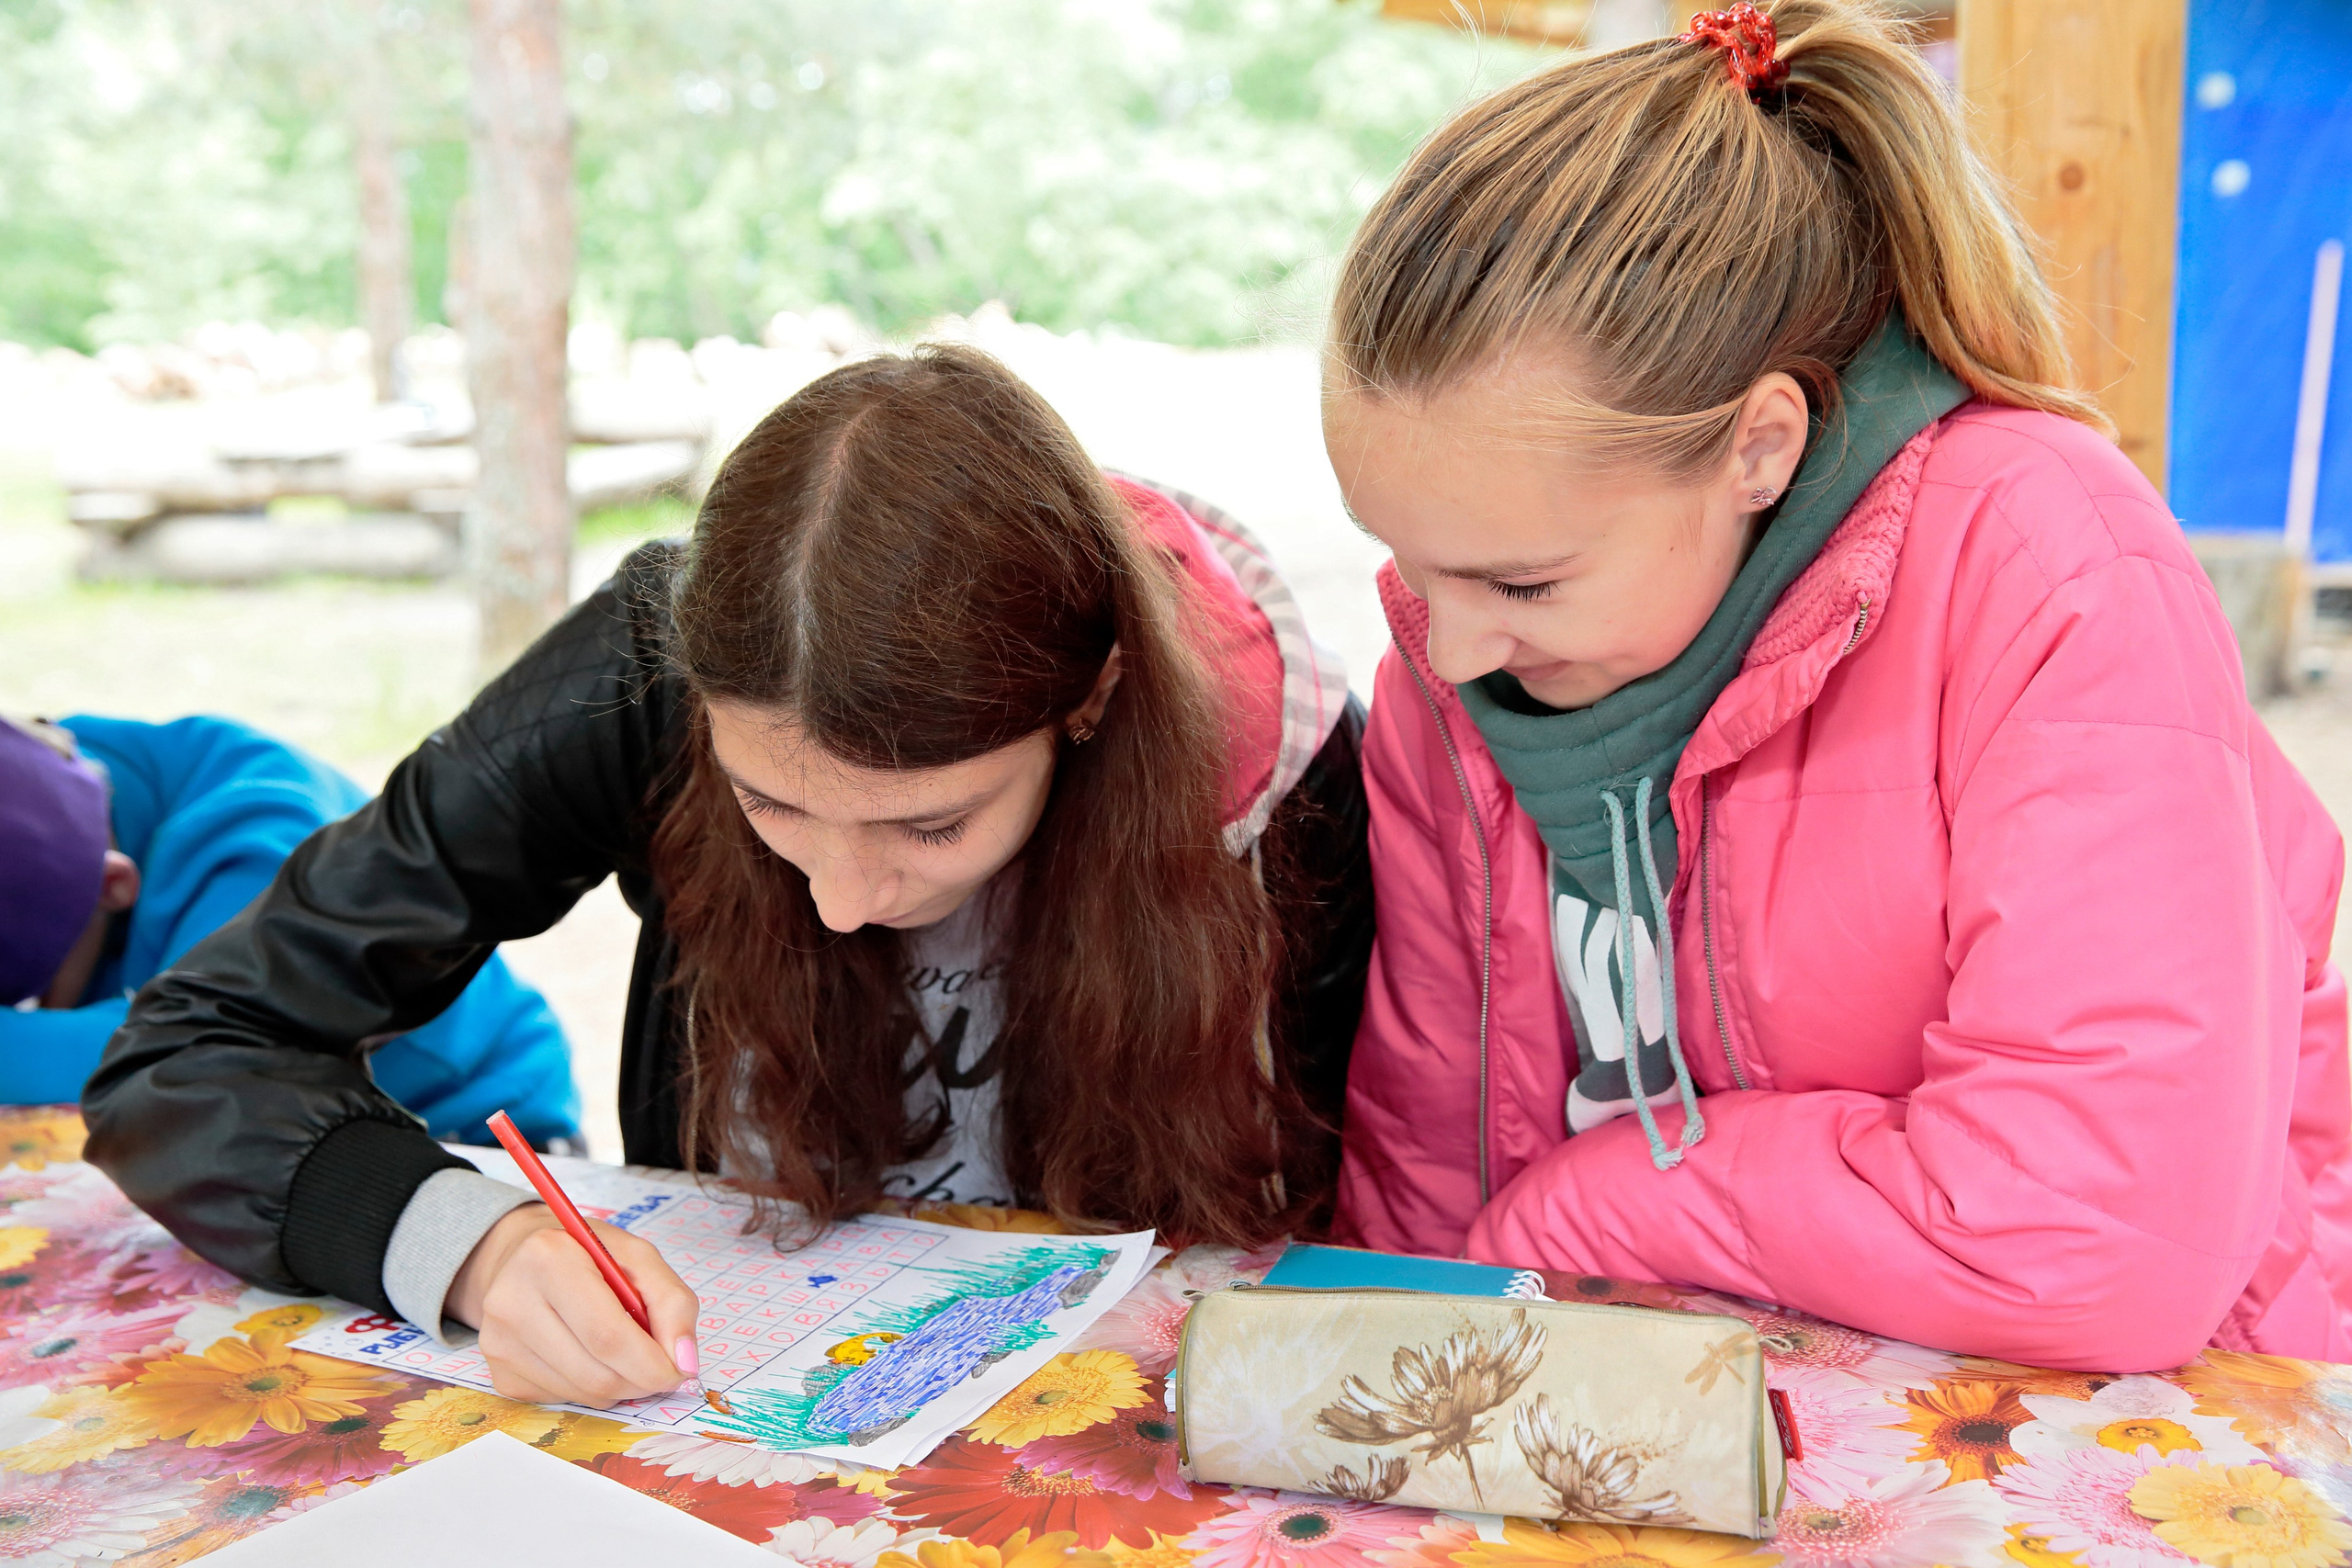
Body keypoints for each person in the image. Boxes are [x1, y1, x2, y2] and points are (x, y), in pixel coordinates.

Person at [1326, 0, 2351, 1370]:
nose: (1444, 652)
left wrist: (1597, 1202)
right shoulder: (1453, 643)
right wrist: (1385, 1368)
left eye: (1522, 584)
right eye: (1408, 561)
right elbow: (1428, 1123)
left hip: (2129, 1403)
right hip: (1670, 1378)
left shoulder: (2049, 559)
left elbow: (2087, 1239)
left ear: (1759, 447)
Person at [87, 344, 1371, 1409]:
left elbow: (1360, 1194)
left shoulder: (1287, 776)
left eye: (931, 826)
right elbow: (188, 1054)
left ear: (1088, 700)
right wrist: (468, 1244)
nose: (842, 902)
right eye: (770, 804)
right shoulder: (638, 681)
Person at [0, 713, 579, 1145]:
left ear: (114, 884)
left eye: (32, 995)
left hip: (481, 1131)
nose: (37, 1012)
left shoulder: (265, 841)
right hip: (279, 1139)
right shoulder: (34, 769)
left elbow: (188, 1063)